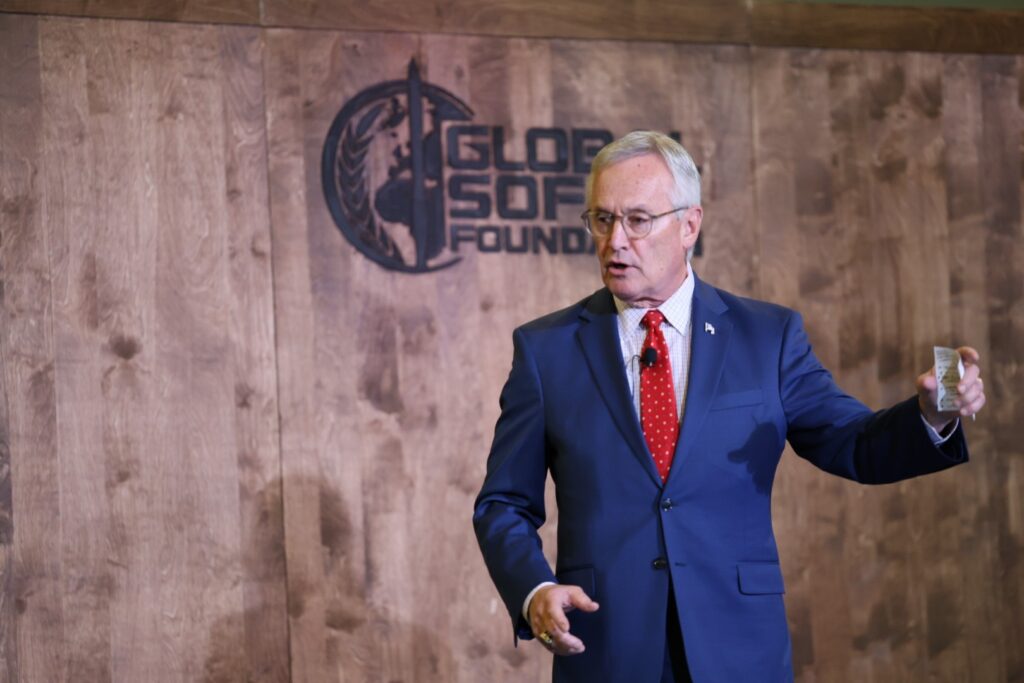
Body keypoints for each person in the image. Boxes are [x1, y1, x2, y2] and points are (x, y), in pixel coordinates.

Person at [472, 131, 986, 682]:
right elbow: (503, 503)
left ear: (689, 225)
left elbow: (854, 445)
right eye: (602, 219)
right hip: (607, 646)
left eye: (638, 221)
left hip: (738, 648)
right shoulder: (546, 350)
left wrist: (932, 415)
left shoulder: (768, 336)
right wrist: (535, 590)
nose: (615, 241)